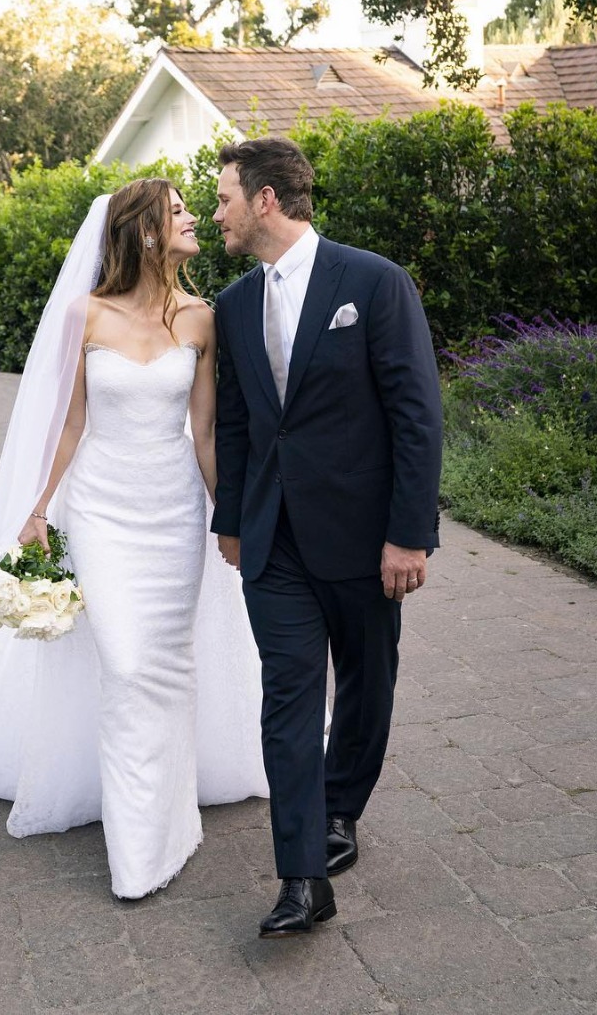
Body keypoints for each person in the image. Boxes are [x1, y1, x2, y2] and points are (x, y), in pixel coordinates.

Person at [0, 178, 267, 900]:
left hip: (175, 516)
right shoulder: (84, 315)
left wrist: (231, 519)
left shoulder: (201, 318)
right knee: (127, 666)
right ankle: (140, 854)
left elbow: (206, 432)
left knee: (168, 665)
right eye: (180, 211)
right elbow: (68, 424)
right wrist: (35, 511)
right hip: (100, 510)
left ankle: (170, 817)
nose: (196, 219)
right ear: (147, 233)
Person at [211, 137, 443, 937]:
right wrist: (234, 522)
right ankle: (303, 875)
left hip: (364, 538)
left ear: (266, 199)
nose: (218, 216)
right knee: (288, 697)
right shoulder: (234, 305)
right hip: (273, 545)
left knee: (367, 686)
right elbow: (238, 424)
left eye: (225, 200)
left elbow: (417, 415)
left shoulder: (374, 282)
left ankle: (342, 810)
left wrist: (408, 536)